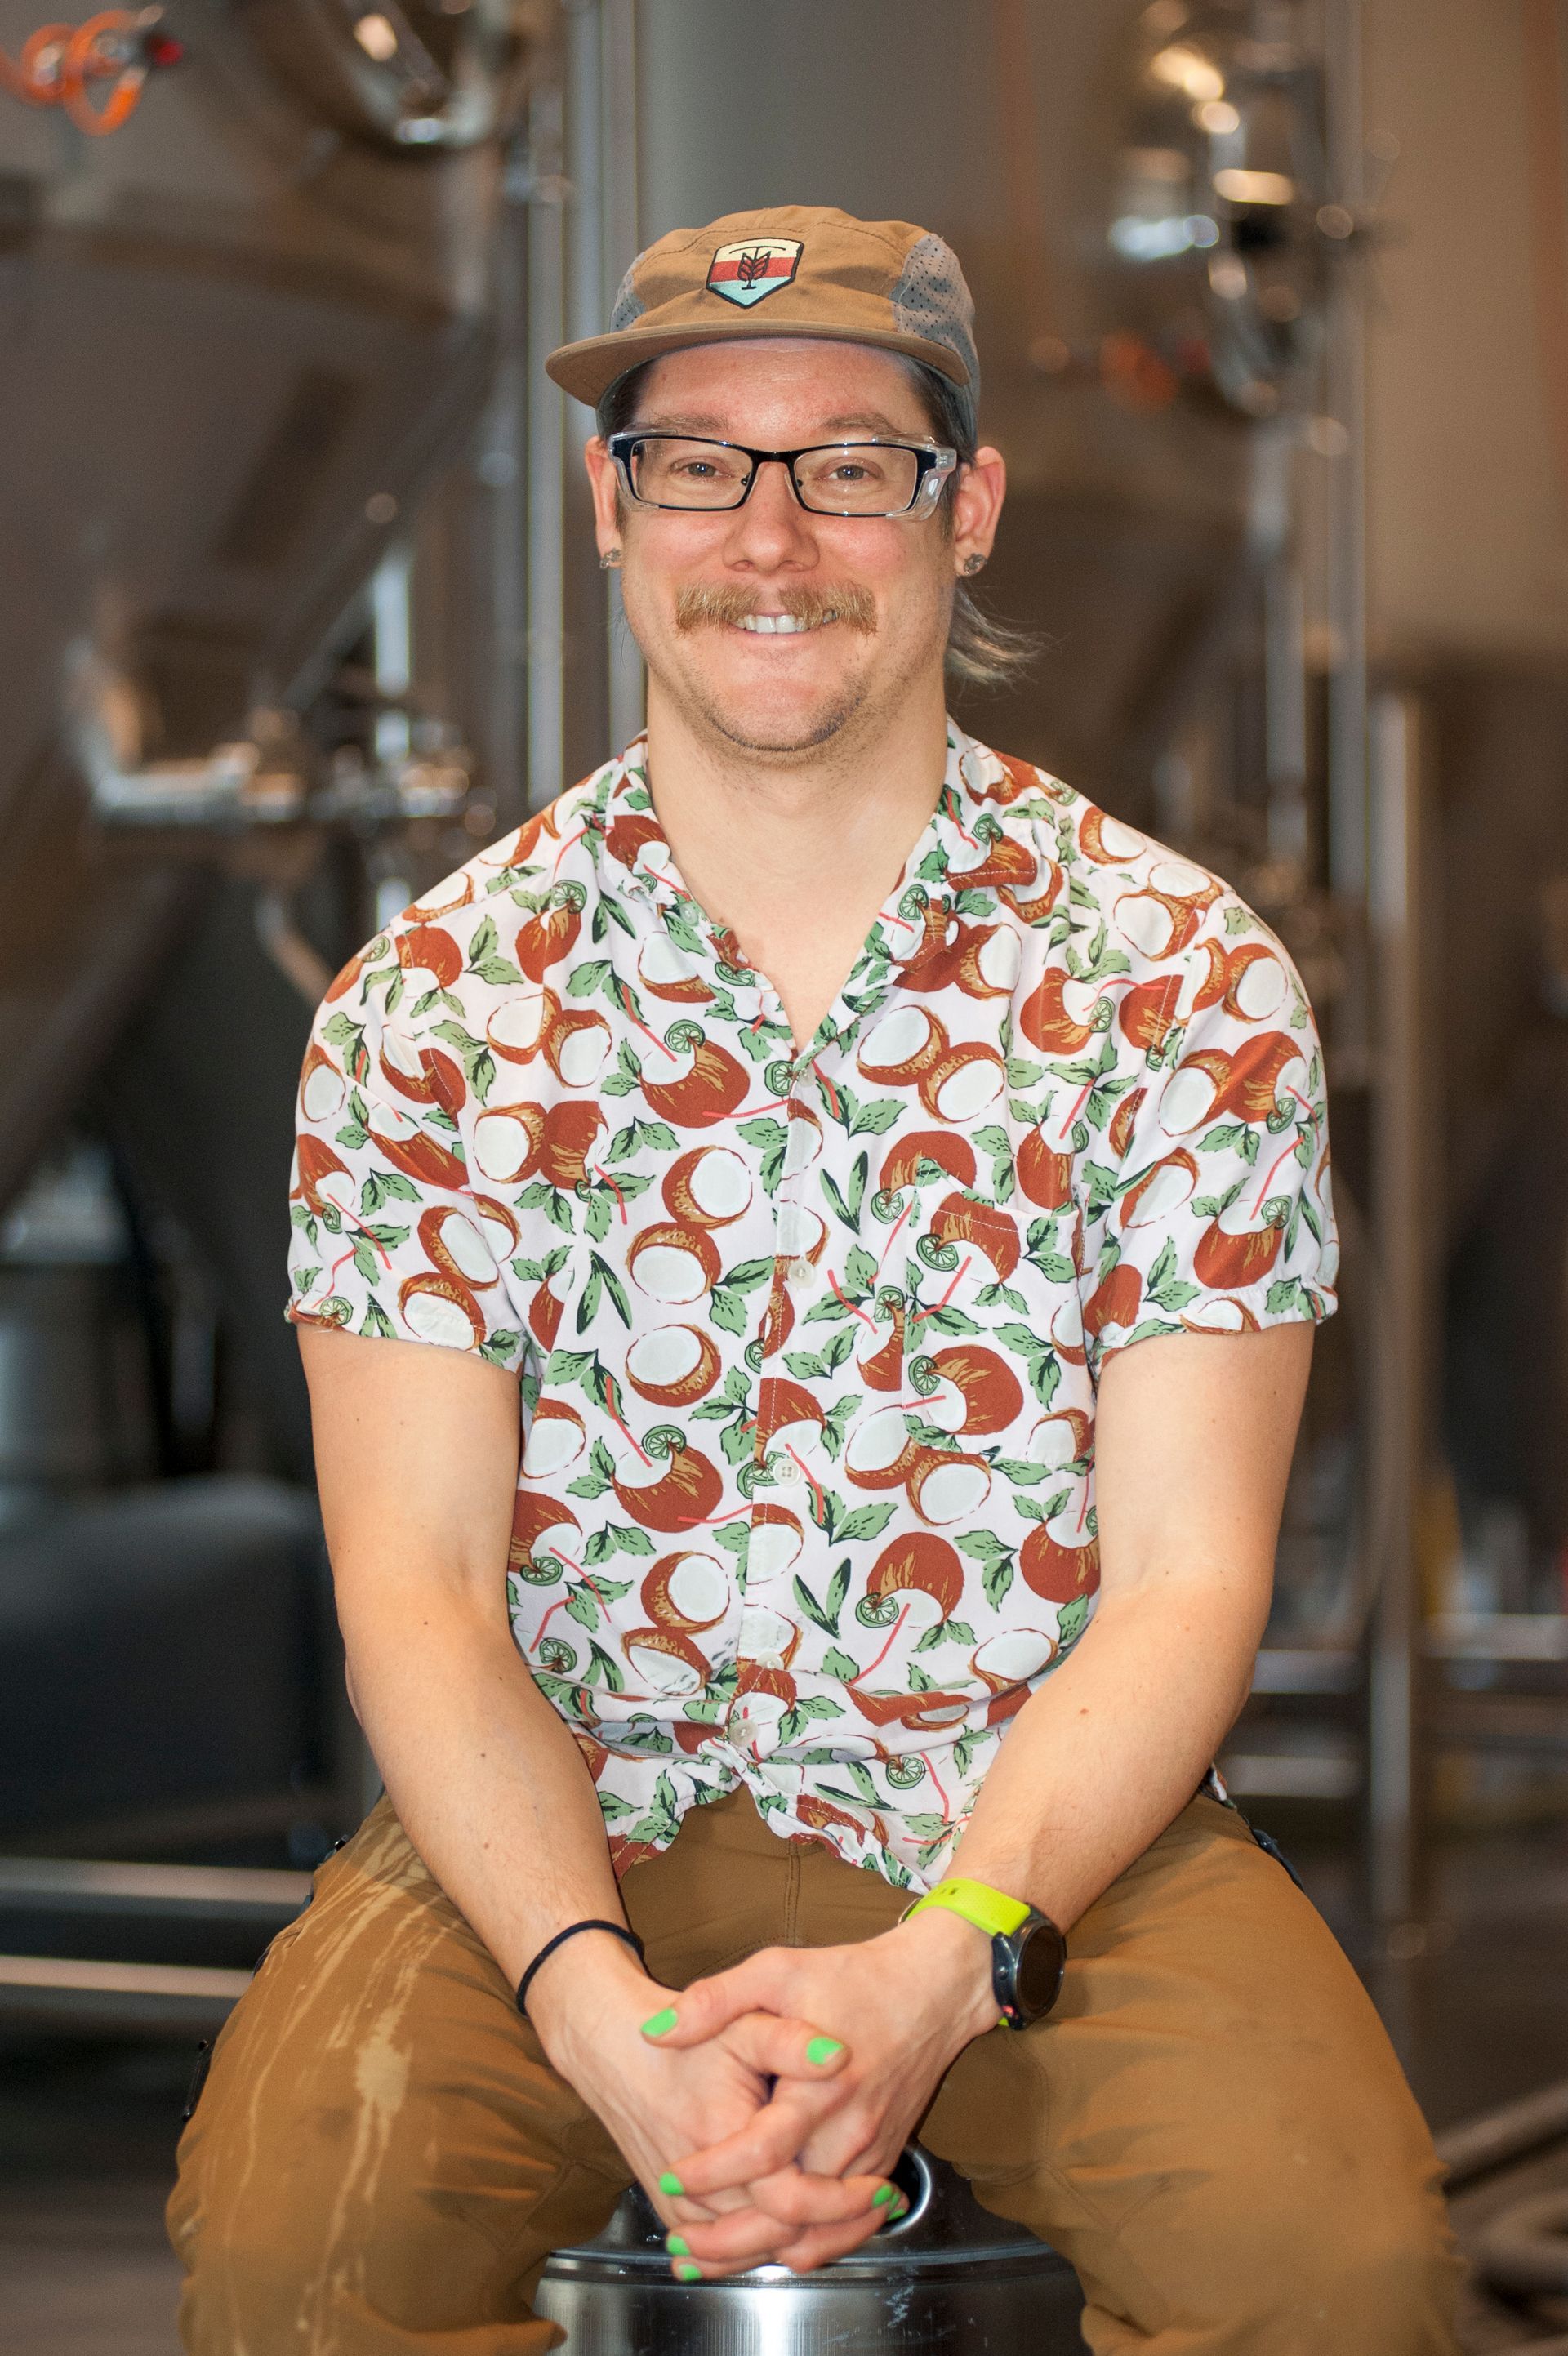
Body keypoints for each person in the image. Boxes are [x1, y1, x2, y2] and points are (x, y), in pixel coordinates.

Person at [167, 205, 1459, 2354]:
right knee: (301, 2250)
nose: (773, 538)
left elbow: (1187, 1582)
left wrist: (946, 1957)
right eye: (703, 462)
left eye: (853, 463)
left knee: (1337, 2278)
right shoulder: (437, 1012)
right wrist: (587, 2003)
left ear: (969, 511)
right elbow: (420, 1591)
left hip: (1050, 1836)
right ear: (612, 503)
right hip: (563, 1817)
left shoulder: (1175, 979)